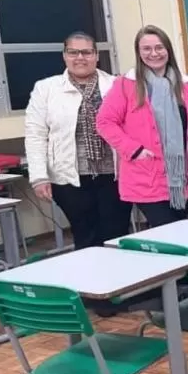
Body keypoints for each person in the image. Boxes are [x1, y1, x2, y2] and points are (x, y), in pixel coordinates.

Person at [24, 31, 130, 250]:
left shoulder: (117, 85)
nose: (80, 57)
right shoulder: (46, 89)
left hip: (114, 176)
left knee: (116, 234)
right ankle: (91, 283)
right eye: (73, 52)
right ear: (64, 56)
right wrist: (39, 177)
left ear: (96, 55)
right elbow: (35, 134)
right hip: (70, 178)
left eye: (86, 52)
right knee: (85, 236)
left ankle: (121, 282)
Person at [97, 25, 188, 227]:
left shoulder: (187, 85)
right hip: (147, 175)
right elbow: (105, 122)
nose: (154, 53)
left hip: (182, 175)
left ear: (168, 50)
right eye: (147, 49)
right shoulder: (125, 85)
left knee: (181, 229)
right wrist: (134, 150)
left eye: (159, 47)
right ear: (138, 53)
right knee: (165, 232)